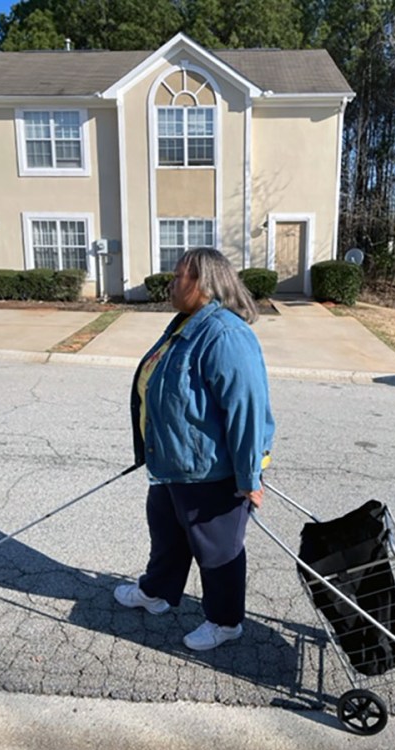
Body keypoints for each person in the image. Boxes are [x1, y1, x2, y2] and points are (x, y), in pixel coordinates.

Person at [114, 247, 275, 651]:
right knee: (166, 536)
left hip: (212, 471)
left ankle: (225, 622)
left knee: (217, 551)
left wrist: (249, 476)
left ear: (202, 284)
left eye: (179, 276)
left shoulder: (225, 334)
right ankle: (157, 593)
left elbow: (247, 411)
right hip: (172, 463)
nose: (171, 282)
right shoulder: (186, 324)